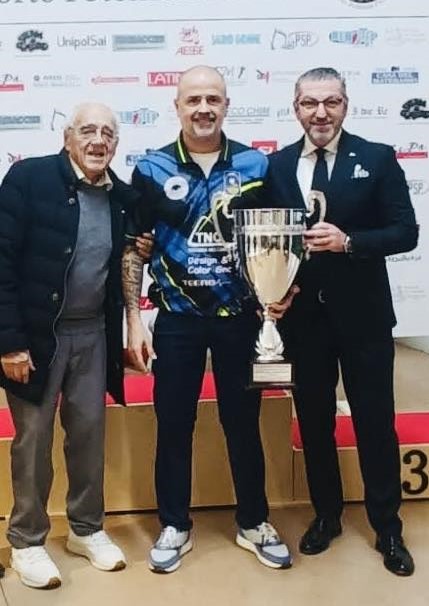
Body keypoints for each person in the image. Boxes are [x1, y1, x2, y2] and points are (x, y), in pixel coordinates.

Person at [122, 65, 294, 574]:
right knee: (174, 423)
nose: (203, 109)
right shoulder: (151, 168)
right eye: (193, 100)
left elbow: (286, 235)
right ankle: (175, 525)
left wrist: (282, 292)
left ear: (226, 105)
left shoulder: (256, 164)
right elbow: (133, 247)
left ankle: (253, 521)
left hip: (240, 318)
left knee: (242, 423)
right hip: (177, 319)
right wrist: (133, 319)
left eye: (212, 99)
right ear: (177, 106)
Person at [266, 67, 418, 576]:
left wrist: (350, 242)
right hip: (304, 321)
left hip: (364, 319)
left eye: (330, 102)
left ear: (345, 105)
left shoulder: (377, 158)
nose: (321, 113)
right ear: (296, 108)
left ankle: (388, 527)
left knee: (375, 423)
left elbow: (405, 231)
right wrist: (273, 291)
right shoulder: (276, 165)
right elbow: (268, 241)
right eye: (310, 103)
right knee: (314, 423)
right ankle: (326, 516)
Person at [0, 102, 135, 589]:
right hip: (37, 338)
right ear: (67, 138)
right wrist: (10, 342)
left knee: (89, 436)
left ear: (116, 144)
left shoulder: (122, 195)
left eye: (108, 133)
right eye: (87, 131)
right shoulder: (28, 179)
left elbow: (129, 258)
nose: (98, 141)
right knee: (33, 443)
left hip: (93, 334)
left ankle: (86, 529)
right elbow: (1, 261)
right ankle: (27, 541)